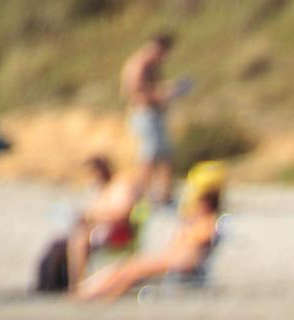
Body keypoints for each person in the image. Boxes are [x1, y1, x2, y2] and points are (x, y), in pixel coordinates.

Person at [74, 187, 221, 302]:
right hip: (172, 258)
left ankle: (102, 295)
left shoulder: (209, 223)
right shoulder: (196, 223)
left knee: (133, 271)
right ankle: (90, 290)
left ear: (205, 204)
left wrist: (187, 230)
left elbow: (199, 240)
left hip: (180, 262)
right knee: (126, 267)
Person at [66, 155, 146, 290]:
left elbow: (121, 214)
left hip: (119, 232)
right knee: (66, 242)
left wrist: (95, 217)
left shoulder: (120, 187)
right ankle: (76, 283)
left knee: (80, 241)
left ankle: (78, 287)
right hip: (102, 230)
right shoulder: (102, 190)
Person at [121, 32, 181, 205]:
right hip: (146, 115)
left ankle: (164, 195)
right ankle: (139, 196)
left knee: (166, 155)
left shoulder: (152, 66)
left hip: (154, 115)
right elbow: (135, 94)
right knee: (149, 157)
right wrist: (162, 94)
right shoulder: (140, 65)